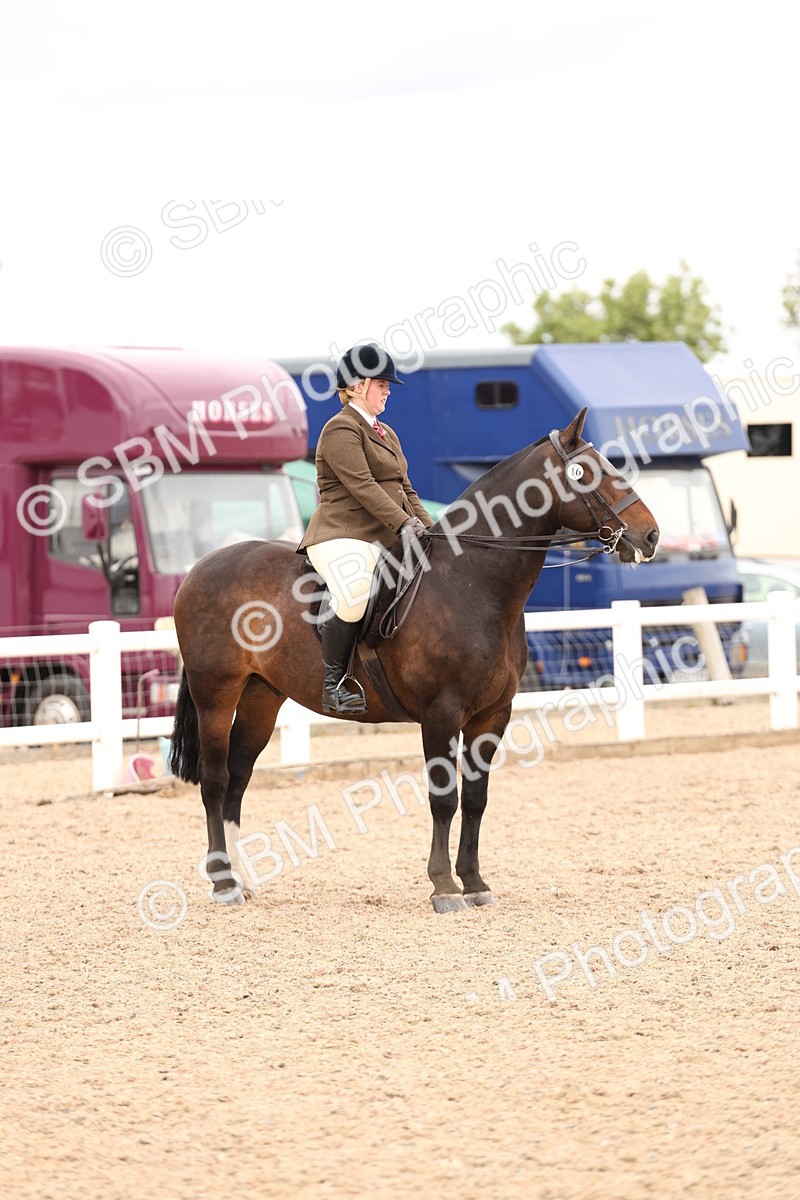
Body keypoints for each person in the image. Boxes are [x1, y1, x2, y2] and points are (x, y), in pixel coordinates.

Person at [297, 343, 433, 714]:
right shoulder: (340, 429)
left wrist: (432, 530)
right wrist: (405, 524)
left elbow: (406, 489)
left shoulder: (386, 432)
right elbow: (364, 487)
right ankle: (334, 684)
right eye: (381, 384)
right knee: (356, 589)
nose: (388, 389)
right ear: (357, 386)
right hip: (343, 533)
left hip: (384, 532)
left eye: (388, 385)